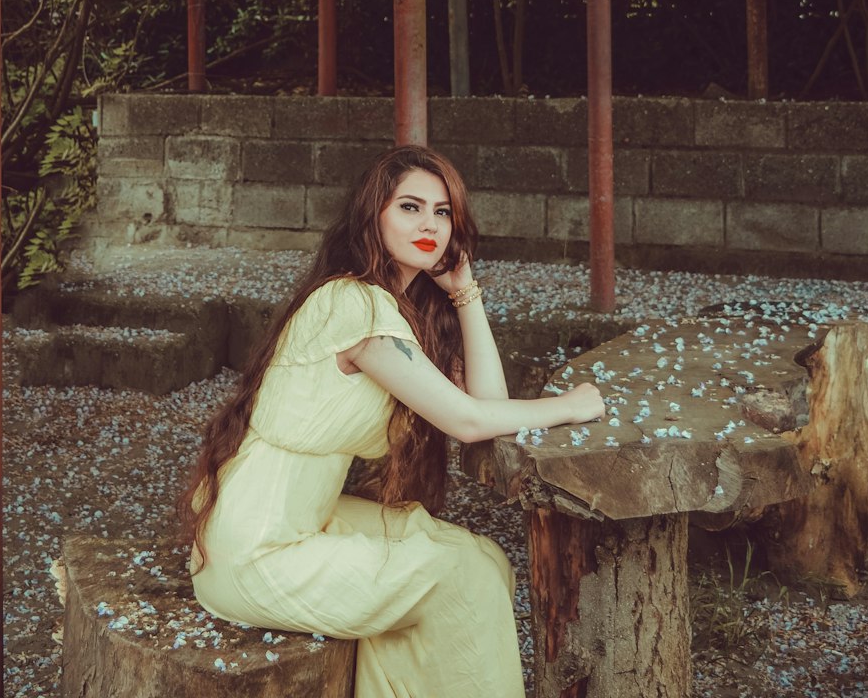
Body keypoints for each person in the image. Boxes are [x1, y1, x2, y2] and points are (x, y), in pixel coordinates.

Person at [182, 145, 604, 698]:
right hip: (257, 550)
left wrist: (465, 293)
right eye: (410, 207)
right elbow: (471, 421)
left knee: (477, 555)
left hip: (303, 521)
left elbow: (489, 402)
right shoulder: (353, 303)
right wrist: (572, 405)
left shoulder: (394, 310)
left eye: (442, 211)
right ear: (373, 215)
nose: (430, 224)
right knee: (464, 579)